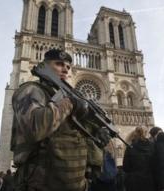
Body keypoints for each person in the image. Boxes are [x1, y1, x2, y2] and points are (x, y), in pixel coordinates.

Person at [11, 49, 110, 191]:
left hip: (71, 182)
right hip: (40, 182)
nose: (65, 69)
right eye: (59, 64)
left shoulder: (63, 96)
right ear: (44, 65)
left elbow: (72, 139)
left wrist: (96, 137)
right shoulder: (31, 90)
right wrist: (70, 102)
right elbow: (36, 128)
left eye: (68, 67)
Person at [123, 127, 155, 191]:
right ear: (146, 134)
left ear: (135, 134)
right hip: (149, 182)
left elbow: (126, 167)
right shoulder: (153, 146)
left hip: (134, 182)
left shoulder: (130, 147)